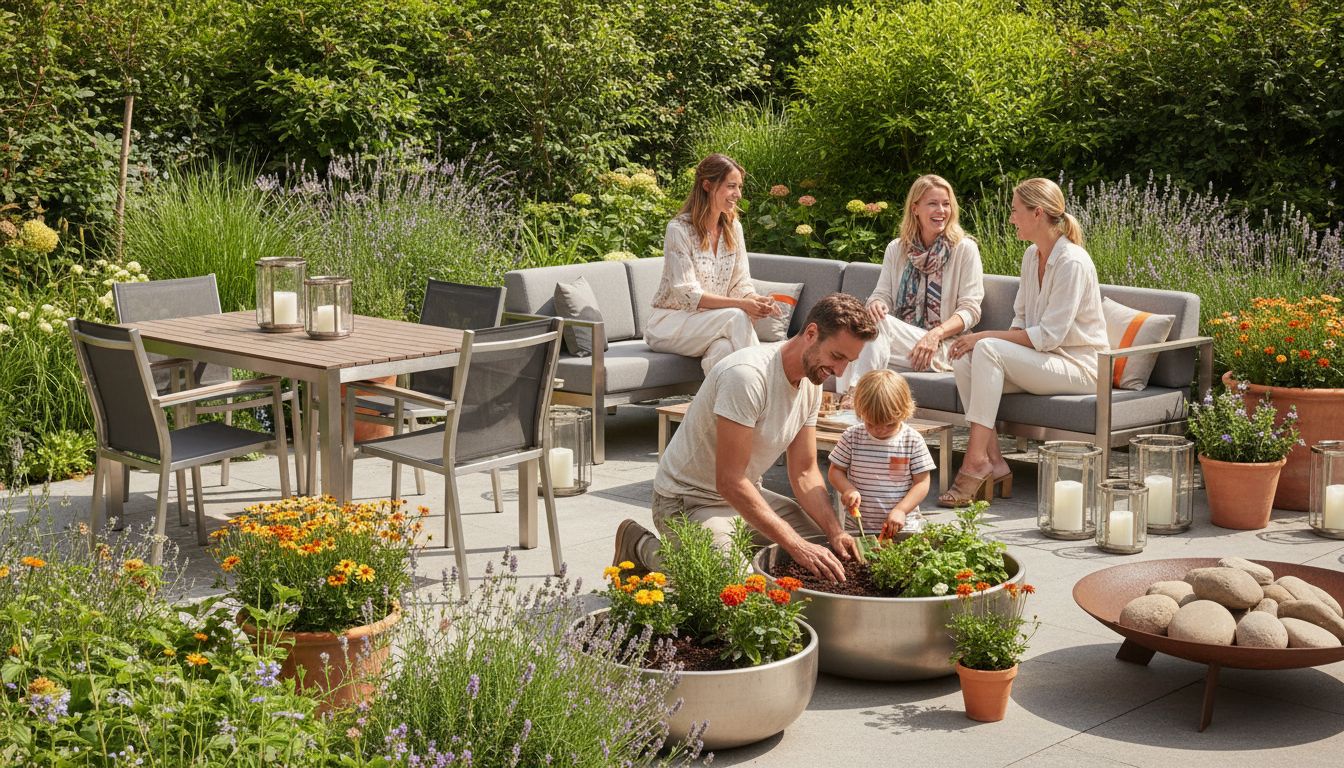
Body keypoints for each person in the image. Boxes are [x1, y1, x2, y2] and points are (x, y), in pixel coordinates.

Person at [614, 293, 880, 580]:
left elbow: (804, 471)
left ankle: (737, 548)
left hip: (747, 496)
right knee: (740, 586)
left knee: (830, 552)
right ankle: (640, 545)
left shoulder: (811, 382)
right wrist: (797, 545)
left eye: (848, 362)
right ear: (811, 333)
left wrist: (835, 531)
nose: (838, 371)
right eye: (837, 356)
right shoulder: (747, 376)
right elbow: (729, 481)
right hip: (688, 501)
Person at [939, 178, 1108, 506]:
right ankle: (995, 462)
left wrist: (984, 335)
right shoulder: (1033, 256)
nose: (1011, 218)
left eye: (1016, 211)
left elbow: (1049, 336)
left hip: (1081, 367)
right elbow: (1020, 320)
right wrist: (980, 342)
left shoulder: (1072, 262)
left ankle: (974, 463)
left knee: (983, 346)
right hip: (1044, 363)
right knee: (964, 356)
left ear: (1038, 213)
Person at [838, 174, 984, 395]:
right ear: (915, 208)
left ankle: (853, 397)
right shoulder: (897, 249)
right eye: (933, 204)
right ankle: (854, 416)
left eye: (946, 204)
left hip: (943, 346)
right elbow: (882, 294)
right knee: (854, 339)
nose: (941, 211)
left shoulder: (964, 249)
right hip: (905, 343)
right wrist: (876, 304)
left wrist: (935, 335)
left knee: (878, 327)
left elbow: (971, 310)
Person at [645, 153, 778, 375]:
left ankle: (714, 407)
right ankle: (768, 385)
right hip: (669, 324)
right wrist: (743, 306)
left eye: (739, 187)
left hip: (712, 322)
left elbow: (740, 283)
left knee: (723, 350)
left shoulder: (734, 229)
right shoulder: (678, 230)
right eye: (731, 186)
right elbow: (688, 295)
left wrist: (754, 300)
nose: (738, 194)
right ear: (707, 185)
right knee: (736, 315)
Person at [827, 370, 935, 540]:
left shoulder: (912, 440)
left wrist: (901, 510)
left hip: (903, 526)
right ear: (860, 412)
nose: (880, 430)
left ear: (905, 411)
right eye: (871, 423)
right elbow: (835, 471)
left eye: (889, 425)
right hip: (859, 528)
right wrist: (848, 489)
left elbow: (922, 483)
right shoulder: (852, 437)